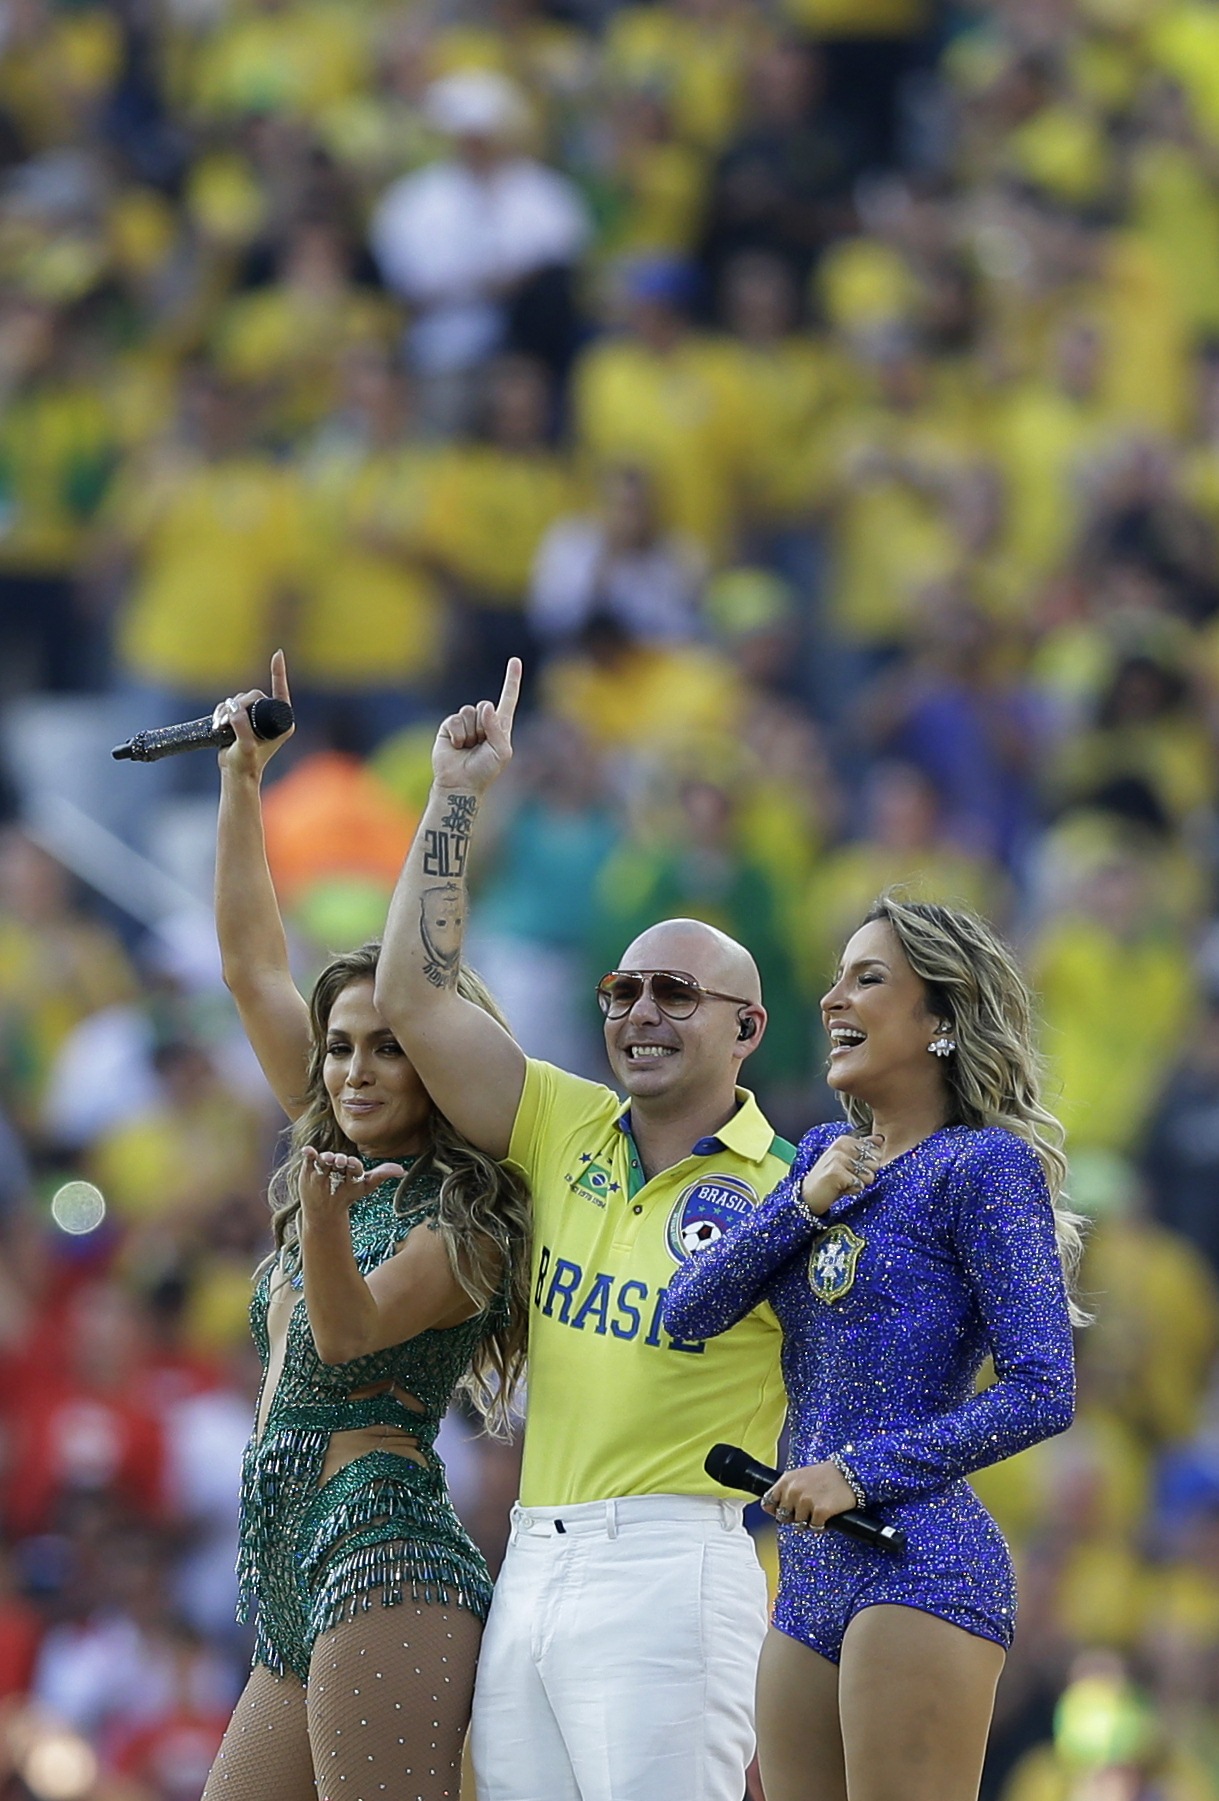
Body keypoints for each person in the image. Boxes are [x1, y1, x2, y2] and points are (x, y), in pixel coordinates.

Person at [373, 658, 795, 1801]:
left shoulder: (792, 1188)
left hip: (676, 1558)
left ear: (749, 1027)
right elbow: (411, 997)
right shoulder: (559, 1120)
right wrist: (457, 795)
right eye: (623, 990)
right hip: (534, 1551)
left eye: (676, 994)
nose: (641, 1012)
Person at [199, 653, 531, 1801]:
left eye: (390, 1045)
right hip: (287, 1563)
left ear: (438, 1061)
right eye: (339, 1046)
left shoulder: (463, 1213)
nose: (351, 1069)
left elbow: (346, 1336)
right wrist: (244, 780)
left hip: (383, 1548)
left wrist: (326, 1225)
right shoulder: (337, 1158)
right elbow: (251, 968)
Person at [663, 895, 1082, 1801]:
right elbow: (686, 1312)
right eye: (835, 978)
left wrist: (856, 1473)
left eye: (868, 978)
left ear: (939, 1018)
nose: (832, 999)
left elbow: (1044, 1386)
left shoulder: (982, 1165)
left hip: (918, 1558)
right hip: (809, 1572)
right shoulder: (822, 1157)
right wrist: (797, 1203)